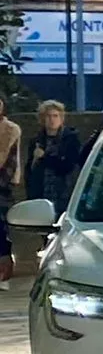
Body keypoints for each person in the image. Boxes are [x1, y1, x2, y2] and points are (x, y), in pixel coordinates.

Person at [26, 101, 84, 210]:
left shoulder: (70, 139)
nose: (52, 120)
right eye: (48, 116)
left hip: (63, 192)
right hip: (41, 193)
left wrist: (44, 157)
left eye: (55, 116)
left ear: (61, 118)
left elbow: (68, 166)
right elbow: (30, 170)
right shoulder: (37, 140)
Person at [0, 97, 20, 286]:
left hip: (2, 184)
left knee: (1, 226)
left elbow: (7, 159)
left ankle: (4, 270)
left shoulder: (10, 129)